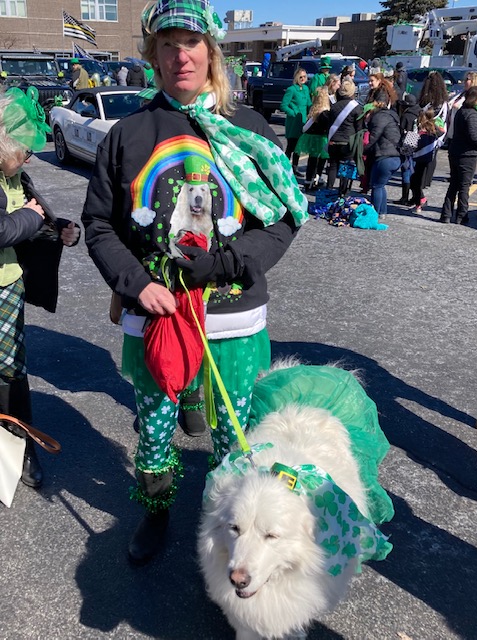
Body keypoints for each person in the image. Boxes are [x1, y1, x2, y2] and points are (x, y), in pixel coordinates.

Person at [81, 0, 307, 565]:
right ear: (153, 55)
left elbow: (282, 219)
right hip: (156, 314)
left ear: (211, 53)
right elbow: (99, 223)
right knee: (156, 427)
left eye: (191, 44)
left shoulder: (248, 129)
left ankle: (228, 531)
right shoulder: (128, 134)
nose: (180, 56)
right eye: (168, 45)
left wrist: (228, 263)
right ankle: (156, 511)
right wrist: (136, 284)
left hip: (232, 316)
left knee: (233, 435)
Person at [0, 87, 80, 489]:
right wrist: (32, 219)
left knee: (12, 370)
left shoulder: (15, 175)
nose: (30, 157)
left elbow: (30, 217)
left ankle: (19, 446)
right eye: (25, 150)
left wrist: (60, 228)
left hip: (7, 286)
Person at [439, 86, 477, 224]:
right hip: (467, 154)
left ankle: (446, 214)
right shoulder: (472, 114)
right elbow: (474, 136)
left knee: (454, 184)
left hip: (455, 151)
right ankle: (462, 215)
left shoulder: (461, 111)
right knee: (464, 186)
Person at [363, 97, 401, 219]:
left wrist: (362, 150)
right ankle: (382, 212)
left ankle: (374, 214)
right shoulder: (390, 116)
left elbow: (373, 137)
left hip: (384, 157)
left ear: (370, 112)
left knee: (376, 186)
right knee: (381, 184)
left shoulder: (379, 117)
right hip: (396, 157)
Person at [326, 78, 363, 197]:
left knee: (333, 166)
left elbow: (330, 124)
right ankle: (343, 193)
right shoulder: (357, 108)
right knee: (345, 167)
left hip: (333, 140)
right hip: (348, 142)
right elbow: (359, 128)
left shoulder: (334, 106)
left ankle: (328, 190)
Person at [295, 86, 330, 191]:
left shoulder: (314, 109)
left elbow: (305, 127)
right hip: (320, 138)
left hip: (310, 137)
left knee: (312, 159)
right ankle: (315, 180)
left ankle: (308, 181)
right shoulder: (325, 112)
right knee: (320, 160)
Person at [418, 70, 449, 189]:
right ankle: (427, 180)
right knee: (433, 155)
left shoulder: (424, 100)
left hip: (423, 130)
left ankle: (420, 180)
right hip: (437, 131)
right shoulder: (443, 102)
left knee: (421, 155)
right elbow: (445, 118)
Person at [280, 67, 311, 176]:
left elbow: (308, 104)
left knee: (299, 147)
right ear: (296, 78)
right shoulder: (291, 89)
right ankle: (284, 168)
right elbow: (283, 105)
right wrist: (292, 112)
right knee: (291, 146)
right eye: (300, 77)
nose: (303, 79)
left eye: (304, 77)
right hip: (293, 122)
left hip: (302, 121)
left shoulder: (306, 89)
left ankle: (294, 168)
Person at [410, 108, 443, 213]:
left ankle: (419, 203)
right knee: (417, 182)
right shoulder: (434, 129)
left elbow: (408, 145)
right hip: (430, 159)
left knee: (415, 182)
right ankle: (419, 201)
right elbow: (441, 134)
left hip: (419, 159)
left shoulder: (418, 129)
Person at [394, 93, 421, 205]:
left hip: (409, 139)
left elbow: (401, 131)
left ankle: (405, 197)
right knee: (413, 169)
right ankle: (415, 197)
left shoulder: (406, 115)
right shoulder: (420, 112)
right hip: (418, 139)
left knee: (406, 168)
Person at [445, 70, 477, 144]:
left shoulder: (476, 97)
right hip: (452, 133)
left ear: (474, 80)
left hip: (465, 133)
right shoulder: (460, 93)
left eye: (467, 79)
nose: (464, 81)